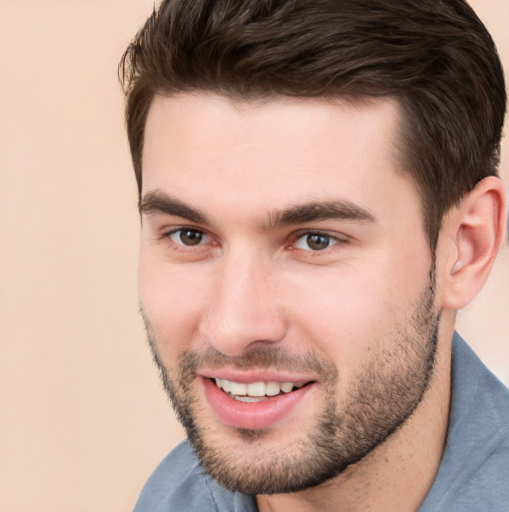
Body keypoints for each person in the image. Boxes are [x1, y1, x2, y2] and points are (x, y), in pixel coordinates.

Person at [120, 1, 509, 510]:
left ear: (466, 248)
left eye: (315, 240)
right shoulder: (173, 498)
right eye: (190, 236)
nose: (233, 328)